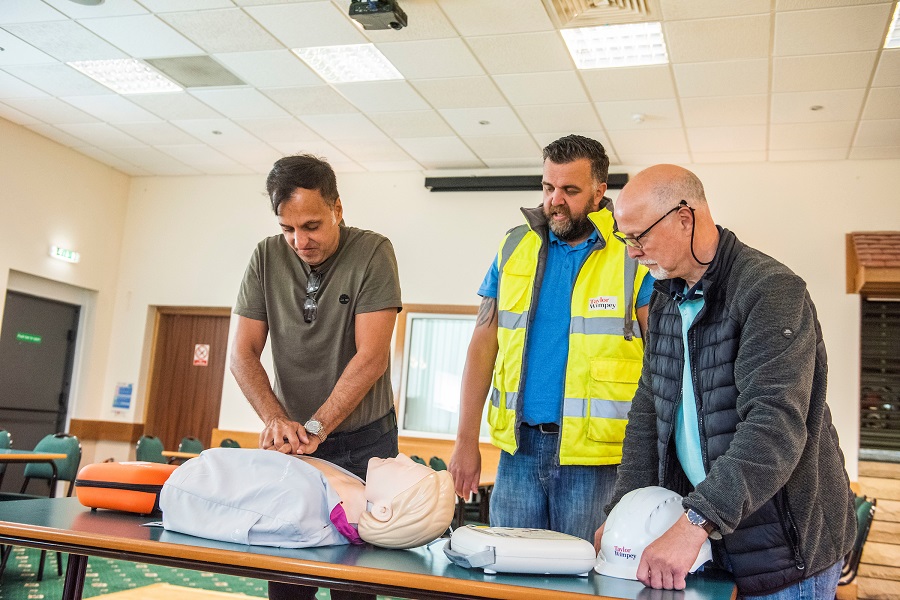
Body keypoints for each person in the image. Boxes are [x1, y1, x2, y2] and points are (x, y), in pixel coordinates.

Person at [596, 164, 856, 598]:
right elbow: (649, 415)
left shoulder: (770, 292)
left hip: (782, 550)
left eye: (640, 237)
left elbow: (774, 428)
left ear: (685, 218)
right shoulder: (665, 300)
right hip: (707, 541)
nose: (632, 253)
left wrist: (695, 521)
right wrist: (623, 510)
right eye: (626, 239)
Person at [449, 134, 654, 543]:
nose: (555, 200)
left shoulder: (631, 253)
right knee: (508, 577)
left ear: (599, 191)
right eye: (548, 187)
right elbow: (482, 346)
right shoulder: (514, 245)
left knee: (584, 580)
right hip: (518, 451)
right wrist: (465, 440)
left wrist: (653, 462)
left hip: (597, 459)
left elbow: (664, 364)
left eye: (570, 190)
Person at [230, 154, 402, 600]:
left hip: (364, 443)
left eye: (311, 226)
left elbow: (372, 357)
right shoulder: (266, 257)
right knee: (289, 579)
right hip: (293, 449)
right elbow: (242, 354)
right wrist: (275, 421)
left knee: (354, 584)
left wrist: (317, 426)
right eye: (288, 228)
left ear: (337, 209)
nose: (299, 240)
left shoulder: (373, 252)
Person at [161, 450, 456, 551]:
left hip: (180, 481)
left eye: (408, 469)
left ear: (382, 510)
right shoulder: (347, 490)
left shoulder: (301, 509)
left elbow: (190, 494)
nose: (404, 457)